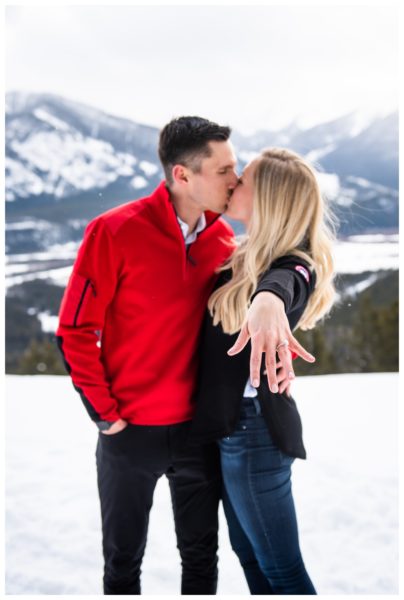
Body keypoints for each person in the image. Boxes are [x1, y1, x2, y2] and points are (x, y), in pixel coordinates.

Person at [56, 117, 315, 595]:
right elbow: (74, 330)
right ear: (183, 175)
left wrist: (271, 300)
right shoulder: (114, 231)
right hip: (129, 431)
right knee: (123, 562)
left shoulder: (224, 243)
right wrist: (104, 413)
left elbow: (291, 268)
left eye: (237, 170)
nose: (234, 180)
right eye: (224, 171)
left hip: (202, 431)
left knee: (203, 561)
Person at [190, 148, 336, 595]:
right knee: (251, 556)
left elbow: (288, 279)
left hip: (254, 439)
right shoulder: (248, 253)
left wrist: (269, 300)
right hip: (234, 432)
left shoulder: (292, 264)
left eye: (245, 178)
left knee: (281, 570)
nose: (234, 183)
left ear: (268, 199)